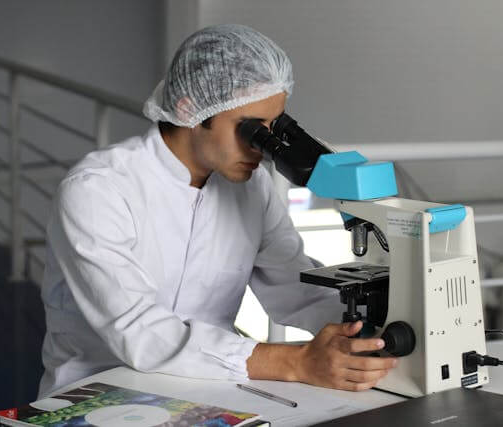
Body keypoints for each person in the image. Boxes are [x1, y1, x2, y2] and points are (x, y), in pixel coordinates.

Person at [38, 24, 396, 398]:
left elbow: (296, 288)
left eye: (274, 127)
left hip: (208, 390)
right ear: (190, 109)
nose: (263, 147)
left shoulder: (251, 188)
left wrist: (370, 333)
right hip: (98, 394)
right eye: (252, 130)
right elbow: (140, 332)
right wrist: (297, 362)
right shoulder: (99, 189)